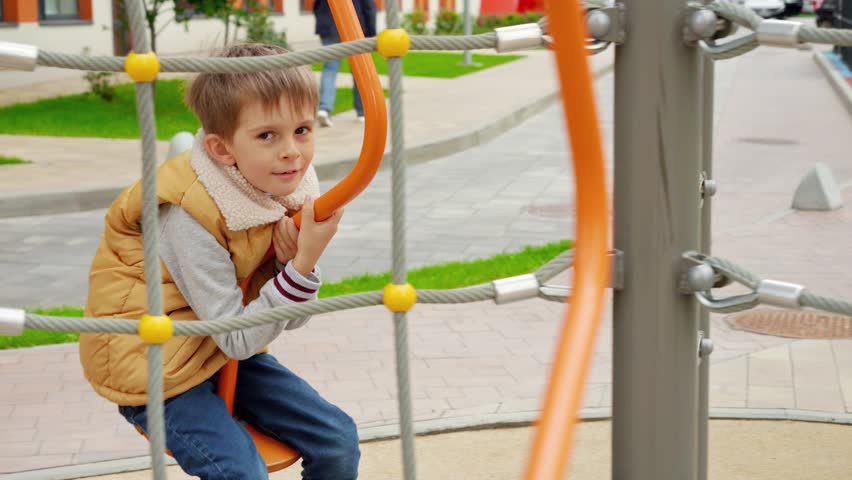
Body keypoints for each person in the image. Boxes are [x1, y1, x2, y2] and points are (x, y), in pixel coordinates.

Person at [78, 43, 358, 479]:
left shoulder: (275, 187)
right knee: (240, 472)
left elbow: (291, 320)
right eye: (267, 135)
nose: (291, 151)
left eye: (302, 130)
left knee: (338, 440)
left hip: (218, 348)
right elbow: (238, 339)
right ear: (222, 149)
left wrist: (292, 266)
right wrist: (302, 265)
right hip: (157, 366)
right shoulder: (189, 211)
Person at [313, 0, 377, 127]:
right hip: (354, 27)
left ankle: (324, 109)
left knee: (330, 69)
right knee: (359, 70)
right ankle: (362, 113)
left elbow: (317, 6)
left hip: (330, 27)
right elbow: (369, 8)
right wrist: (371, 32)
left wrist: (323, 22)